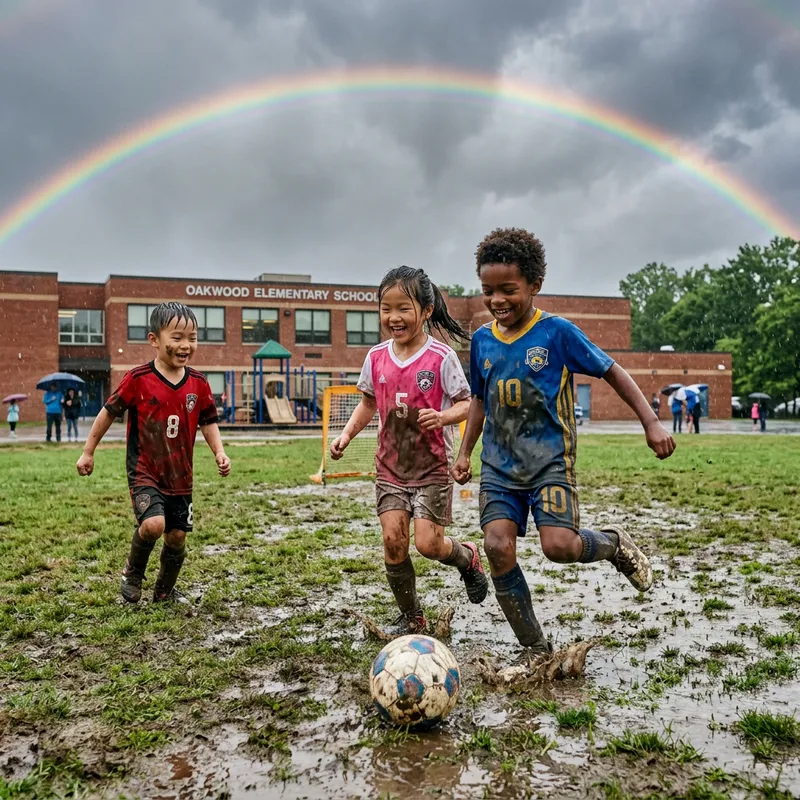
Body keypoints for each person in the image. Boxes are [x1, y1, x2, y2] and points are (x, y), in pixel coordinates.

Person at [452, 228, 676, 665]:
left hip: (550, 463)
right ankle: (534, 648)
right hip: (499, 466)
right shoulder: (481, 340)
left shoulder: (557, 333)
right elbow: (479, 399)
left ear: (534, 285)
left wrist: (650, 422)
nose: (497, 300)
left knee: (560, 548)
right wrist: (464, 453)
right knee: (497, 546)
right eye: (488, 291)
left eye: (508, 290)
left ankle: (611, 543)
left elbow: (612, 371)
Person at [330, 266, 488, 635]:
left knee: (429, 544)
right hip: (390, 466)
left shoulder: (441, 357)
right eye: (387, 308)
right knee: (393, 543)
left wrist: (444, 415)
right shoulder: (376, 357)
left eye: (404, 308)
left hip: (431, 466)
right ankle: (412, 616)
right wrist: (346, 436)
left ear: (426, 310)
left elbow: (470, 403)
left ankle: (467, 558)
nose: (394, 318)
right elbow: (368, 403)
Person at [76, 302, 231, 603]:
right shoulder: (138, 379)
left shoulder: (198, 384)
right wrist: (88, 451)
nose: (185, 345)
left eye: (192, 338)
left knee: (177, 536)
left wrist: (219, 453)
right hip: (145, 470)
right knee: (153, 525)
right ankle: (132, 573)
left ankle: (165, 591)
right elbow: (108, 413)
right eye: (176, 337)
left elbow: (208, 422)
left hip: (180, 475)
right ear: (154, 340)